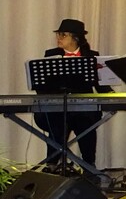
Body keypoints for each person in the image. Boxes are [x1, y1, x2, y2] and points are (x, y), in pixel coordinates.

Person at [34, 19, 110, 170]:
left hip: (84, 108)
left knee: (86, 125)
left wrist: (111, 95)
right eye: (58, 34)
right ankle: (51, 165)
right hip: (58, 108)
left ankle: (89, 166)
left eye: (63, 35)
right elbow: (43, 86)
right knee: (57, 124)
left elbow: (100, 84)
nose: (58, 38)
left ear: (75, 38)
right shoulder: (51, 55)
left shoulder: (91, 56)